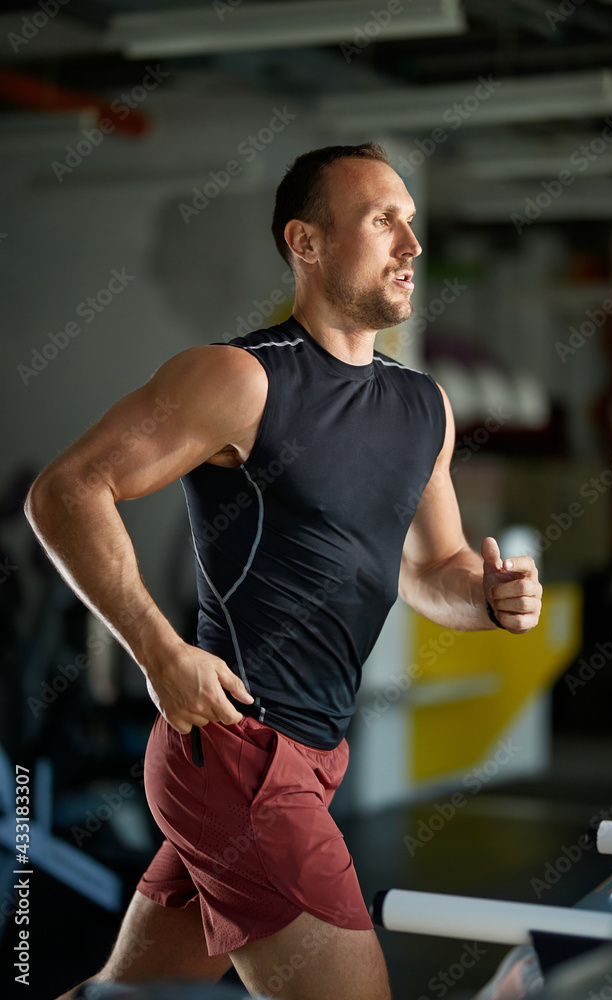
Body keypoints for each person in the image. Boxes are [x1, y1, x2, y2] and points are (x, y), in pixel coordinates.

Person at [25, 142, 542, 1000]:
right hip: (240, 754)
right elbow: (67, 491)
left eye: (411, 223)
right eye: (383, 222)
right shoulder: (240, 379)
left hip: (310, 755)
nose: (411, 245)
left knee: (131, 997)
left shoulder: (422, 405)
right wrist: (160, 653)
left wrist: (484, 597)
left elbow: (431, 568)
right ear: (305, 243)